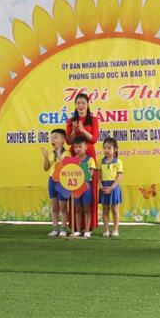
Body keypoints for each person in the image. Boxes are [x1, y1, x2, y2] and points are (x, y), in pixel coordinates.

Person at [66, 93, 100, 231]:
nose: (81, 105)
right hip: (74, 156)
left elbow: (94, 139)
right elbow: (69, 141)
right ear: (75, 105)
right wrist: (74, 132)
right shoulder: (71, 120)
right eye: (78, 103)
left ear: (87, 105)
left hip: (89, 155)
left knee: (89, 188)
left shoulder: (93, 120)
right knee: (75, 187)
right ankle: (76, 225)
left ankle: (88, 226)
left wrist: (83, 131)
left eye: (83, 103)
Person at [42, 128, 69, 237]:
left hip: (62, 182)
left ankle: (63, 228)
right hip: (52, 180)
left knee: (63, 207)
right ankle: (55, 228)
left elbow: (67, 164)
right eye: (51, 138)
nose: (52, 140)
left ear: (62, 140)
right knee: (54, 207)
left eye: (55, 138)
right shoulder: (51, 154)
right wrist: (45, 157)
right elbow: (46, 168)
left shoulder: (66, 153)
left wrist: (59, 154)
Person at [71, 136, 97, 238]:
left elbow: (90, 174)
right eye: (75, 147)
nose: (77, 149)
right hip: (76, 187)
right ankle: (78, 230)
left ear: (86, 147)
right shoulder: (73, 160)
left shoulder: (90, 160)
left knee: (87, 208)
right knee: (77, 209)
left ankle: (87, 230)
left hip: (86, 186)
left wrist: (82, 166)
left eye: (80, 146)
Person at [98, 137, 123, 237]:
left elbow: (119, 176)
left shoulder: (118, 162)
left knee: (115, 209)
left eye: (109, 148)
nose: (106, 150)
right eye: (104, 148)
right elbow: (98, 176)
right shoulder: (100, 162)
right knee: (105, 209)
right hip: (103, 187)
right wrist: (101, 187)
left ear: (115, 149)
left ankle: (116, 229)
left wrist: (112, 187)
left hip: (114, 187)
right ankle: (106, 230)